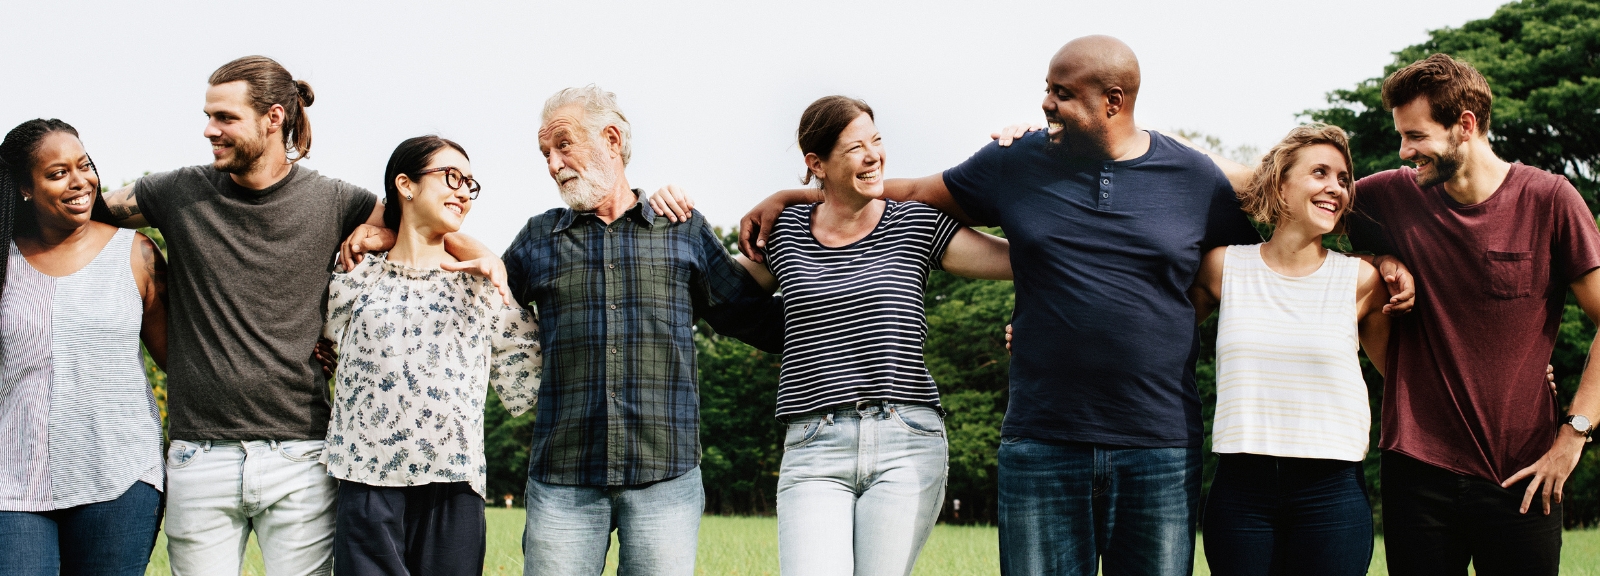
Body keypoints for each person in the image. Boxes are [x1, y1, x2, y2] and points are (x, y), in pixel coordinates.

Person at [97, 55, 506, 575]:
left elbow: (421, 224)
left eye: (225, 117)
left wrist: (482, 253)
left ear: (273, 118)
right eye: (209, 116)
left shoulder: (335, 200)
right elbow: (87, 212)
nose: (209, 130)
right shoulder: (177, 192)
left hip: (301, 456)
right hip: (199, 455)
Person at [1332, 54, 1599, 576]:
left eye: (1416, 136)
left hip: (1524, 472)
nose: (1404, 151)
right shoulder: (1384, 196)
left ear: (1465, 126)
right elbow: (1302, 208)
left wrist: (1574, 435)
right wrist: (1381, 258)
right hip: (1416, 470)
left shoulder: (1550, 200)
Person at [502, 85, 785, 576]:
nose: (552, 163)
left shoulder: (683, 230)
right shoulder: (537, 238)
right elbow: (470, 314)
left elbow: (752, 316)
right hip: (563, 476)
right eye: (546, 153)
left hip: (665, 476)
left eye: (563, 145)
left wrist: (851, 316)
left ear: (611, 138)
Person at [726, 96, 1011, 575]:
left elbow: (1023, 260)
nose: (873, 155)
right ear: (816, 164)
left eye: (876, 141)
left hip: (906, 438)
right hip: (815, 443)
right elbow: (713, 289)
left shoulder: (916, 222)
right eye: (854, 147)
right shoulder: (784, 232)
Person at [322, 136, 542, 575]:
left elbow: (532, 377)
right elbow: (310, 350)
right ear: (405, 185)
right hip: (367, 483)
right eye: (451, 177)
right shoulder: (352, 278)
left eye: (470, 184)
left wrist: (486, 262)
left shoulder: (483, 287)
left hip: (454, 485)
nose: (463, 191)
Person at [1186, 124, 1390, 576]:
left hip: (1331, 492)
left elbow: (1408, 374)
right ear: (1280, 183)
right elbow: (1149, 329)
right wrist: (1049, 334)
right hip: (1242, 490)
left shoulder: (1361, 281)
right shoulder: (1224, 267)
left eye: (1343, 178)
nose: (1335, 188)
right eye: (1320, 173)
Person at [0, 119, 168, 575]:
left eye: (85, 166)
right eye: (57, 173)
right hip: (12, 480)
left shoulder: (135, 253)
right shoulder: (3, 261)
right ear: (24, 189)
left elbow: (181, 358)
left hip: (120, 477)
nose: (80, 182)